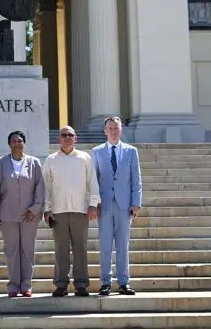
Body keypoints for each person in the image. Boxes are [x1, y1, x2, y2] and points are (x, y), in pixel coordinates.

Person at [43, 125, 99, 297]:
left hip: (80, 210)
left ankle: (81, 284)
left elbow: (92, 182)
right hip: (58, 211)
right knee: (61, 249)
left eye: (71, 135)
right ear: (58, 139)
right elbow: (46, 186)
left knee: (80, 249)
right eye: (64, 135)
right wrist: (47, 209)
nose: (67, 137)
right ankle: (61, 284)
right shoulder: (51, 160)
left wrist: (93, 204)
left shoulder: (85, 158)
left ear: (76, 139)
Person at [0, 130, 45, 298]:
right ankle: (13, 286)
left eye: (20, 141)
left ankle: (26, 286)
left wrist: (35, 209)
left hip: (29, 215)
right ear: (9, 144)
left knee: (27, 250)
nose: (17, 143)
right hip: (7, 214)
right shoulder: (0, 163)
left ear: (24, 143)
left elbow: (40, 188)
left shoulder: (34, 163)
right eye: (13, 141)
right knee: (11, 251)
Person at [91, 117, 142, 296]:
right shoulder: (96, 152)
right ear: (105, 131)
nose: (113, 131)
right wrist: (93, 203)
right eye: (110, 128)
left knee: (122, 244)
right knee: (105, 245)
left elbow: (136, 179)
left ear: (121, 130)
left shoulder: (131, 151)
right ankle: (105, 282)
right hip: (104, 205)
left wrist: (136, 203)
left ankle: (123, 282)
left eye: (116, 128)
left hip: (124, 205)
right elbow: (93, 180)